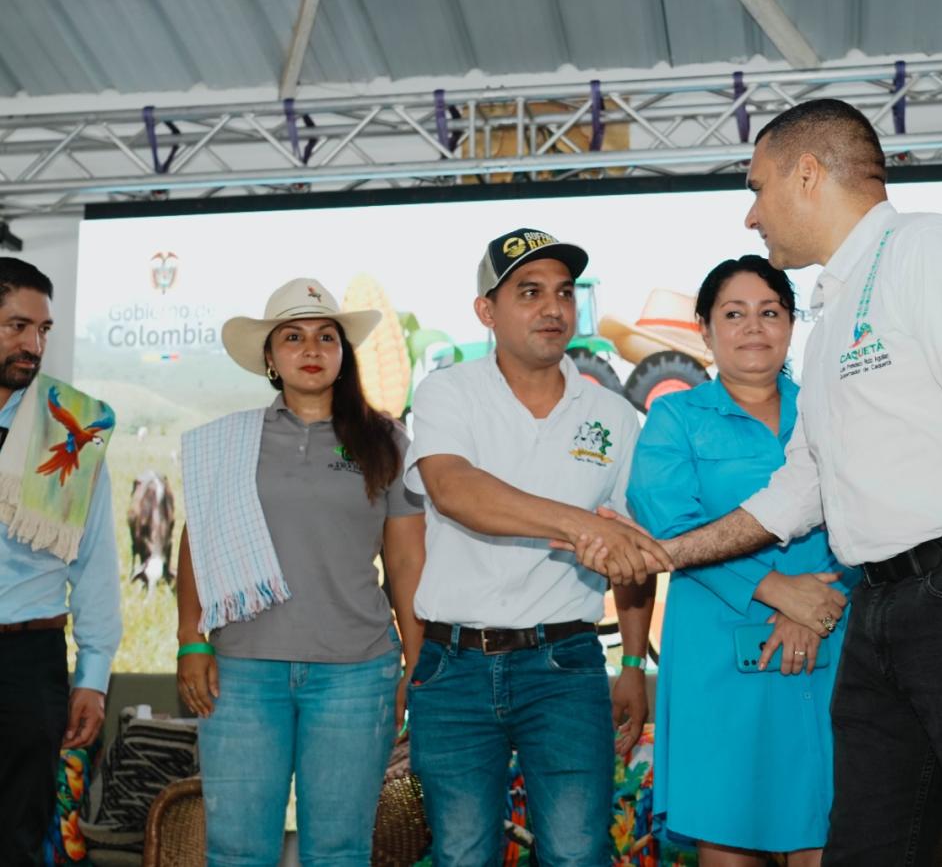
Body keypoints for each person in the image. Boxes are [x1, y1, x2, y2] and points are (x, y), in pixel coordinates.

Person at [569, 99, 942, 866]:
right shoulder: (835, 307)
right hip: (881, 611)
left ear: (807, 174)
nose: (751, 215)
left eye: (758, 187)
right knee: (863, 848)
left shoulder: (929, 251)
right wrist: (664, 556)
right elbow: (798, 489)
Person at [403, 227, 667, 866]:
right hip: (455, 665)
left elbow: (630, 551)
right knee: (463, 855)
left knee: (577, 856)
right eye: (529, 292)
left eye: (563, 292)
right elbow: (456, 490)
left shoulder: (614, 417)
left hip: (566, 667)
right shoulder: (448, 392)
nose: (553, 308)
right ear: (486, 312)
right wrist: (583, 526)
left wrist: (632, 662)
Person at [175, 278, 425, 865]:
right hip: (239, 674)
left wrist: (416, 664)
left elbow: (408, 561)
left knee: (339, 850)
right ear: (269, 356)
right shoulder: (229, 440)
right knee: (237, 850)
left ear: (343, 353)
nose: (310, 349)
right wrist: (191, 639)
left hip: (356, 674)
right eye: (293, 337)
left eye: (325, 336)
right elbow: (197, 542)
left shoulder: (386, 440)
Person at [626, 255, 851, 866]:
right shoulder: (675, 418)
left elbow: (874, 518)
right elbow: (670, 531)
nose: (754, 327)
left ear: (792, 323)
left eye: (770, 312)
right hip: (717, 654)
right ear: (705, 329)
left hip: (829, 643)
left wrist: (816, 607)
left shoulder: (830, 410)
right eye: (734, 313)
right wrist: (779, 589)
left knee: (829, 831)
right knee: (730, 835)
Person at [0, 257, 121, 866]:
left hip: (30, 663)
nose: (34, 344)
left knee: (22, 839)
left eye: (43, 330)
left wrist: (93, 677)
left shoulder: (71, 427)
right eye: (17, 326)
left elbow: (96, 562)